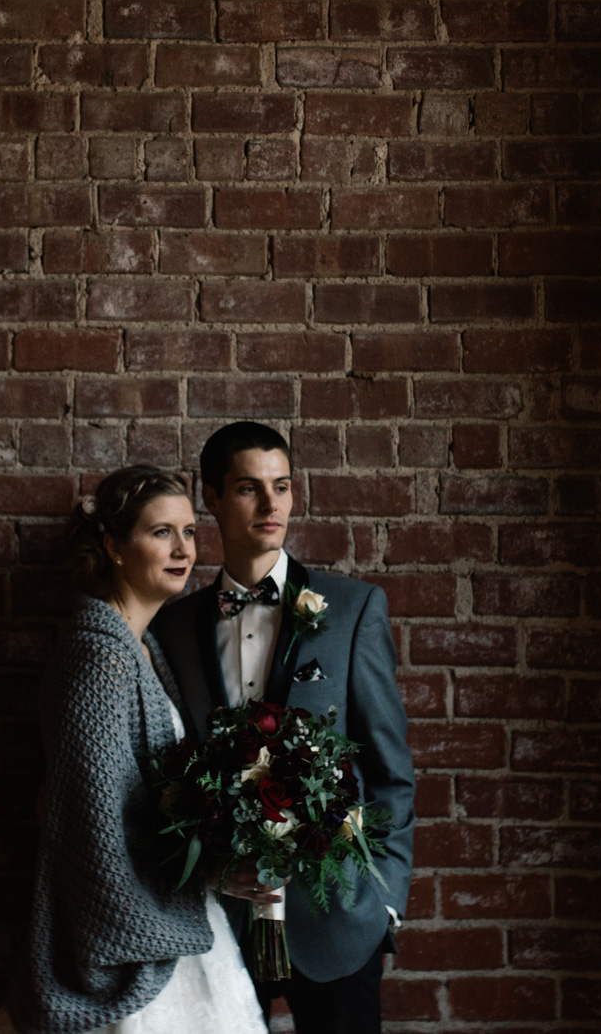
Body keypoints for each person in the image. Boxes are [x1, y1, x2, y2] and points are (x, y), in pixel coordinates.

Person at [150, 422, 416, 1034]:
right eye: (249, 488)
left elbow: (389, 770)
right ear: (210, 498)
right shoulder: (174, 626)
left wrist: (386, 905)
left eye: (283, 486)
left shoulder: (351, 609)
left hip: (337, 922)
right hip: (220, 927)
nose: (272, 505)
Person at [0, 465, 267, 1034]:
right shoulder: (100, 660)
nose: (183, 549)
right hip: (134, 931)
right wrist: (210, 868)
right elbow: (94, 828)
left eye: (190, 532)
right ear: (114, 546)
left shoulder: (142, 650)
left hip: (174, 914)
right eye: (161, 532)